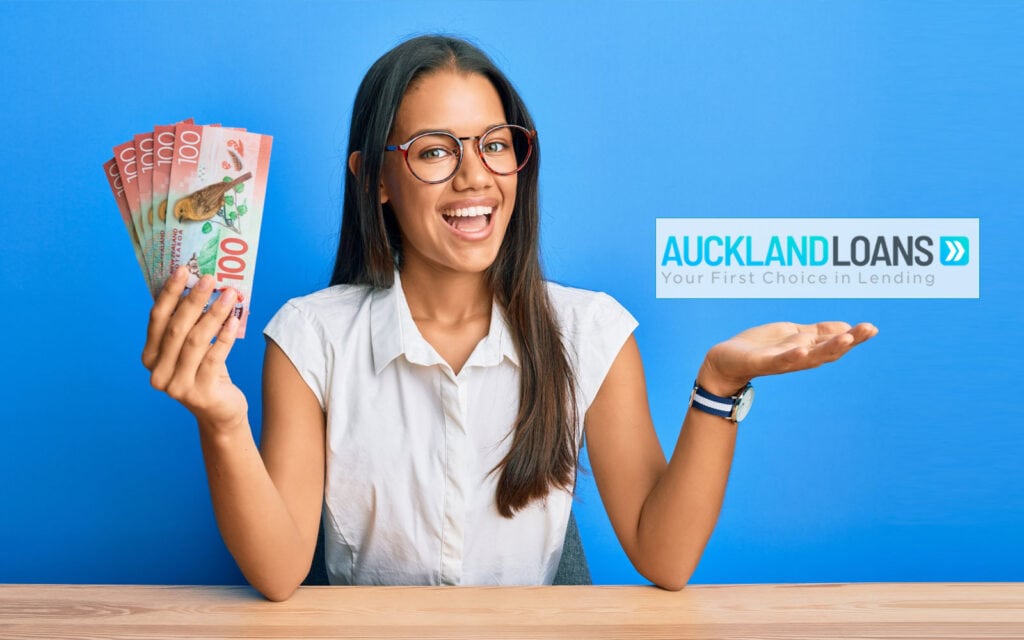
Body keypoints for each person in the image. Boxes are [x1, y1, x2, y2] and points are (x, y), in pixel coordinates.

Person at [141, 35, 877, 601]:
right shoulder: (311, 336)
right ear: (376, 181)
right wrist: (222, 422)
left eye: (496, 145)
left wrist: (720, 383)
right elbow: (276, 572)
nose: (475, 176)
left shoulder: (591, 333)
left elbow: (665, 554)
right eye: (434, 151)